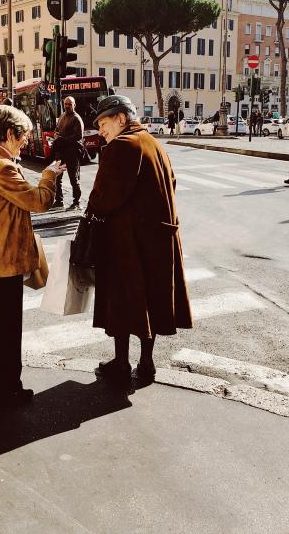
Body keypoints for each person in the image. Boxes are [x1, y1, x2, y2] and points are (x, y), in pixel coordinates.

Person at [0, 105, 65, 407]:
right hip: (3, 257)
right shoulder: (1, 166)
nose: (26, 141)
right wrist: (48, 175)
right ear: (8, 133)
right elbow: (38, 201)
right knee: (6, 326)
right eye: (24, 135)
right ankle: (6, 388)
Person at [86, 95, 193, 384]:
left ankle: (121, 363)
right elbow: (171, 184)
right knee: (152, 301)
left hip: (128, 241)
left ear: (121, 118)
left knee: (121, 301)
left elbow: (104, 198)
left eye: (103, 123)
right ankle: (146, 363)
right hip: (159, 238)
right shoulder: (154, 144)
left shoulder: (121, 146)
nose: (101, 131)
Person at [51, 96, 85, 210]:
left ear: (74, 105)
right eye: (66, 104)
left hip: (72, 152)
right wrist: (56, 134)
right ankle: (59, 200)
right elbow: (56, 129)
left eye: (69, 104)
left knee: (73, 178)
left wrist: (63, 139)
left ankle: (77, 202)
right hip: (61, 152)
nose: (67, 106)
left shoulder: (76, 118)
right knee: (57, 177)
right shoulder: (62, 116)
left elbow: (78, 136)